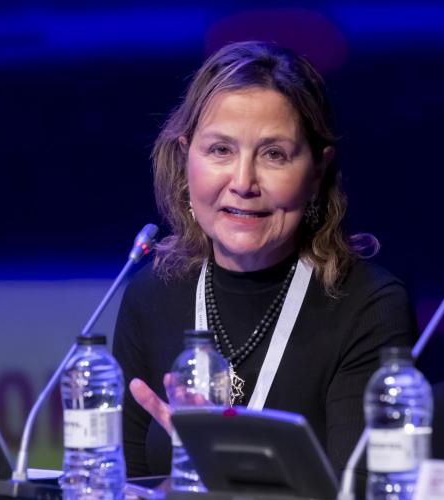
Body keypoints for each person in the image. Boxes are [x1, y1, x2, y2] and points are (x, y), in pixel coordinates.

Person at [112, 41, 417, 482]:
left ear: (316, 172)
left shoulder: (369, 306)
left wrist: (220, 471)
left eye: (274, 154)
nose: (243, 182)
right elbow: (121, 485)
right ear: (185, 158)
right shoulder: (151, 294)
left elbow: (361, 491)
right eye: (220, 150)